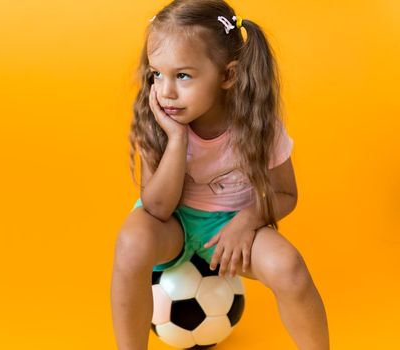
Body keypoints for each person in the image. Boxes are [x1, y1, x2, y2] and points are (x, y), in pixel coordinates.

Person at [110, 1, 330, 349]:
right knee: (132, 240)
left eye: (182, 75)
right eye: (157, 74)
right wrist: (178, 138)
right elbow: (157, 209)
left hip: (232, 225)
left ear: (228, 75)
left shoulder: (257, 126)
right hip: (174, 226)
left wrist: (246, 222)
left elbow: (286, 194)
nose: (165, 91)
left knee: (289, 266)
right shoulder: (157, 122)